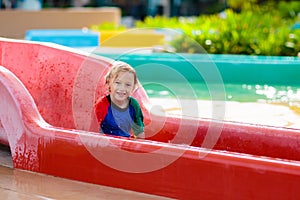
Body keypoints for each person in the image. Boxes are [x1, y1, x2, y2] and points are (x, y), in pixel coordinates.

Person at [94, 61, 145, 139]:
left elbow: (139, 134)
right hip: (105, 144)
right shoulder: (102, 104)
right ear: (108, 83)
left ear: (133, 87)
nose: (122, 88)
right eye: (118, 83)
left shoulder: (133, 105)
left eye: (128, 84)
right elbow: (93, 131)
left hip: (124, 144)